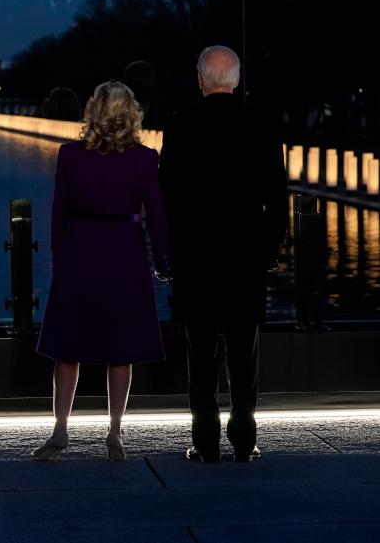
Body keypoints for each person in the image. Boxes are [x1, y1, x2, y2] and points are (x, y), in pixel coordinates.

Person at [159, 45, 287, 464]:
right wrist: (271, 249)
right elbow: (277, 198)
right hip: (244, 255)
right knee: (243, 351)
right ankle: (245, 438)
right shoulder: (263, 126)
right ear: (237, 80)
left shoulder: (179, 127)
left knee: (200, 354)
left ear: (200, 79)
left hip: (195, 255)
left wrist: (169, 253)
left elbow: (167, 197)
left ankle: (206, 438)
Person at [34, 80, 169, 461]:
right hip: (124, 251)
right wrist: (163, 260)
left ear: (92, 110)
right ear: (131, 114)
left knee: (67, 349)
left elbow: (58, 213)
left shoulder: (70, 155)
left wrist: (59, 261)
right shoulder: (145, 159)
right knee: (120, 349)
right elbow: (156, 216)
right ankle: (114, 432)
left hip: (80, 249)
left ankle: (60, 430)